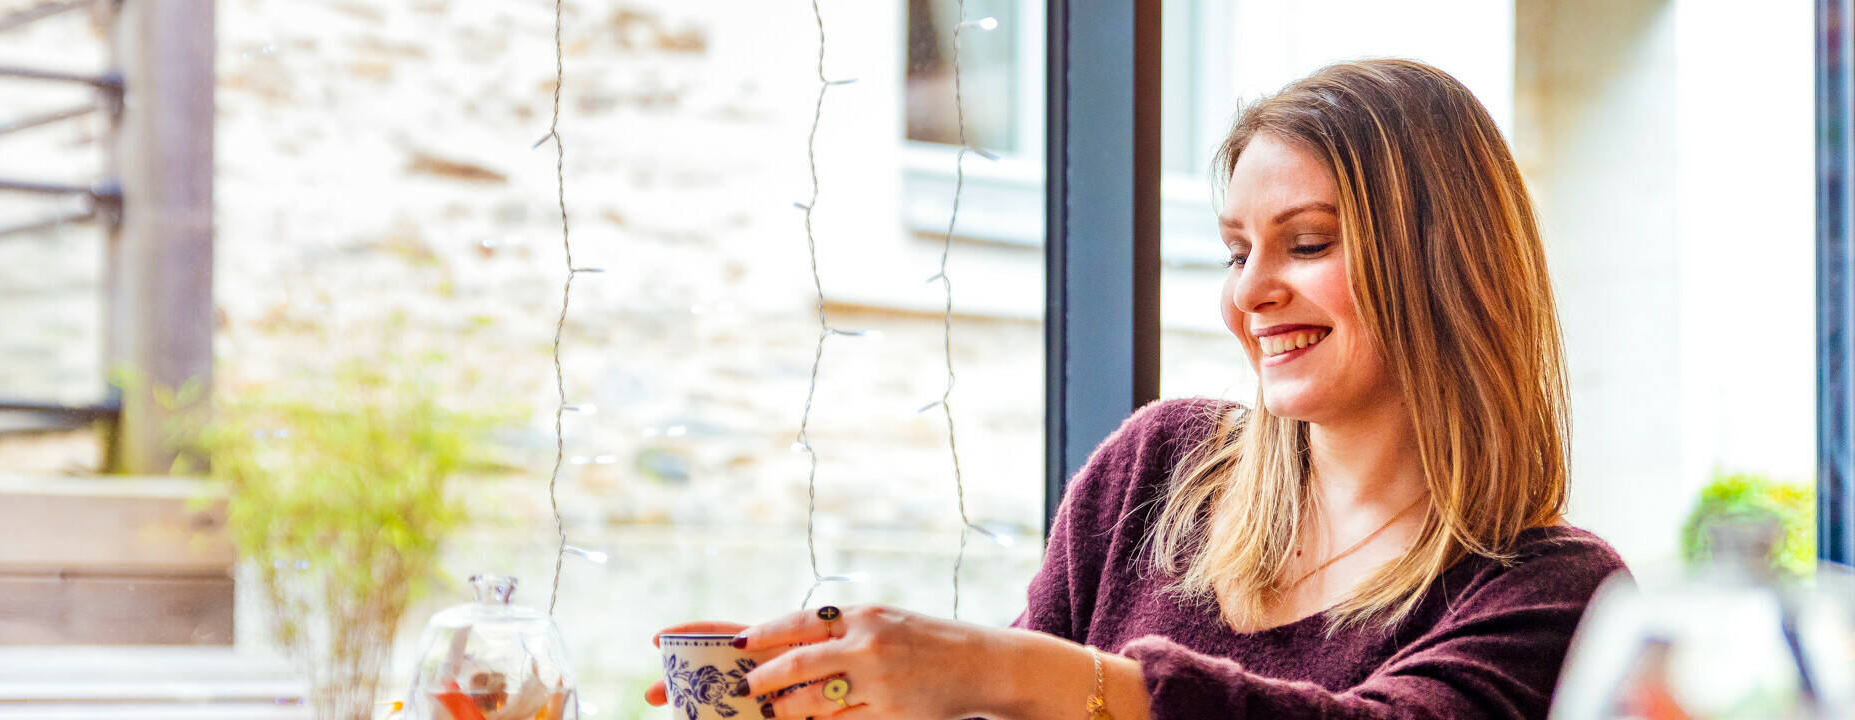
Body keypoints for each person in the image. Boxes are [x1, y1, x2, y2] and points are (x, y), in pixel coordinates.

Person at [645, 58, 1626, 720]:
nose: (1251, 291)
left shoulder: (1553, 593)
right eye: (1237, 249)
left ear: (1445, 261)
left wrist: (985, 665)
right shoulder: (1158, 471)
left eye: (1309, 242)